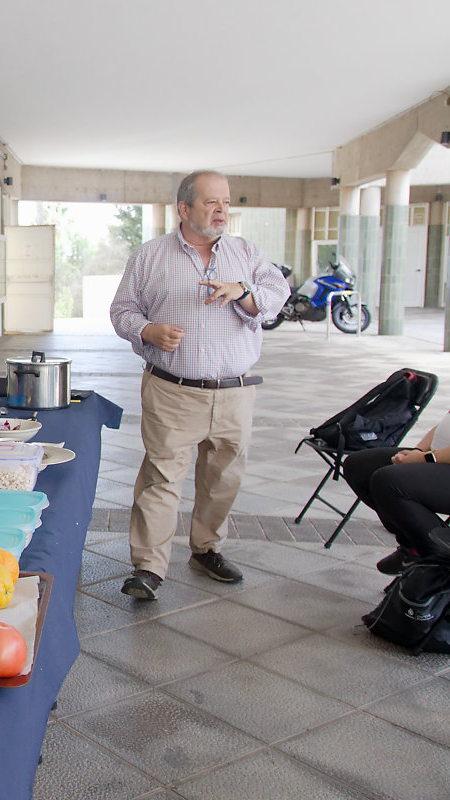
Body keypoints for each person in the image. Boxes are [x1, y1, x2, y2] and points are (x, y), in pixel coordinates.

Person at [108, 170, 290, 600]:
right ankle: (149, 568)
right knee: (161, 478)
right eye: (212, 202)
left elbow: (276, 295)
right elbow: (122, 312)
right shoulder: (149, 256)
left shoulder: (247, 254)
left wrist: (242, 291)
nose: (222, 210)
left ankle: (206, 549)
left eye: (226, 202)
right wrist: (148, 331)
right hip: (172, 390)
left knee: (223, 478)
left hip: (235, 392)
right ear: (184, 209)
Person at [343, 361, 450, 574]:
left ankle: (442, 560)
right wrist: (417, 451)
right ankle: (414, 546)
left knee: (390, 482)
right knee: (360, 466)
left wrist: (428, 459)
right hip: (444, 459)